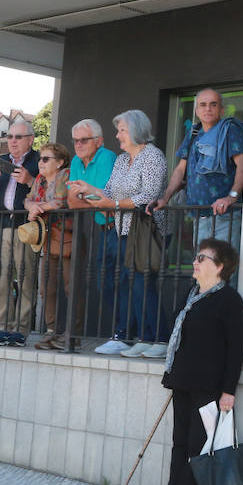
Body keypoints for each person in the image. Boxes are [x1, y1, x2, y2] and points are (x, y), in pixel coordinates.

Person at [148, 238, 243, 485]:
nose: (196, 262)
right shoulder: (191, 296)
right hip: (182, 381)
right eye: (197, 257)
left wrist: (229, 391)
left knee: (196, 445)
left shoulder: (230, 302)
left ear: (219, 267)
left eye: (203, 258)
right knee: (179, 441)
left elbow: (236, 350)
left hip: (209, 386)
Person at [85, 110, 168, 357]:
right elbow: (109, 191)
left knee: (142, 283)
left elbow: (148, 196)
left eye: (121, 130)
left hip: (145, 230)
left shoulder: (153, 157)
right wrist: (90, 191)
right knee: (120, 283)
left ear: (135, 131)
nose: (117, 135)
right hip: (120, 228)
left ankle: (159, 339)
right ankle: (130, 335)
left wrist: (114, 205)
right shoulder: (122, 160)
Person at [154, 89, 243, 244]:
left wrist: (232, 197)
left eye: (213, 104)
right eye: (202, 105)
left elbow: (242, 166)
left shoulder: (230, 130)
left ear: (221, 109)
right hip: (199, 215)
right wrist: (165, 198)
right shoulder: (194, 133)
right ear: (196, 110)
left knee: (222, 264)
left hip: (225, 214)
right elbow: (180, 169)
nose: (208, 109)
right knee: (203, 264)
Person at [0, 121, 41, 347]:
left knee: (26, 278)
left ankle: (21, 330)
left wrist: (30, 180)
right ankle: (4, 327)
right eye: (10, 137)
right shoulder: (0, 161)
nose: (13, 141)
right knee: (0, 278)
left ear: (30, 139)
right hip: (0, 226)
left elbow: (47, 190)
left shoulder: (39, 160)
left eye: (18, 137)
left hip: (25, 227)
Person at [66, 118, 117, 339]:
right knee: (103, 283)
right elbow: (72, 203)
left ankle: (126, 334)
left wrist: (88, 196)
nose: (78, 145)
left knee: (122, 282)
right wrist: (92, 197)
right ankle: (119, 333)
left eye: (83, 140)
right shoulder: (77, 162)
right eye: (75, 141)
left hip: (119, 226)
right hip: (102, 228)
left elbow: (105, 200)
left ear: (98, 141)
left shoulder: (108, 158)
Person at [26, 142, 77, 351]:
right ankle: (51, 331)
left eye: (46, 159)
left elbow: (61, 201)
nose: (41, 163)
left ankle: (72, 334)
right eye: (40, 158)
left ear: (60, 162)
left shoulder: (65, 175)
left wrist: (38, 208)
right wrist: (32, 206)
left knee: (70, 287)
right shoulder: (39, 179)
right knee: (47, 288)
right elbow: (27, 200)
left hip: (67, 237)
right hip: (47, 239)